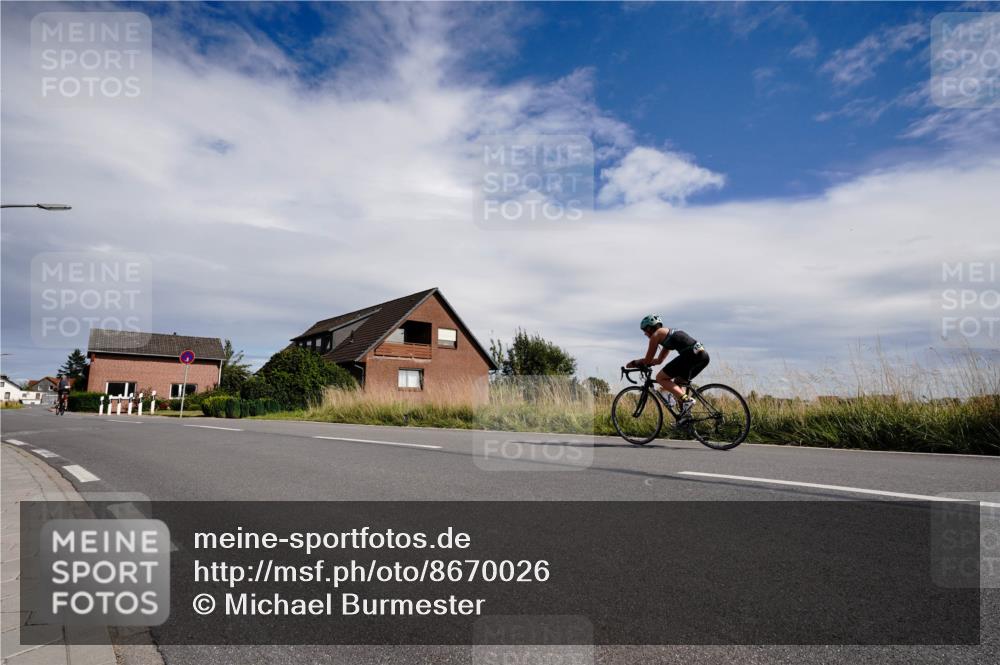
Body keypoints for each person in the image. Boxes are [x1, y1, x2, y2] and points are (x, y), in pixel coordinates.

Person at [627, 315, 710, 420]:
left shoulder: (656, 335)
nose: (645, 334)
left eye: (644, 330)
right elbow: (659, 361)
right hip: (703, 356)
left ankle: (687, 400)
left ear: (649, 328)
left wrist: (635, 362)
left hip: (690, 355)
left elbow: (648, 360)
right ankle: (685, 418)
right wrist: (646, 363)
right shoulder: (667, 335)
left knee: (660, 378)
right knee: (678, 382)